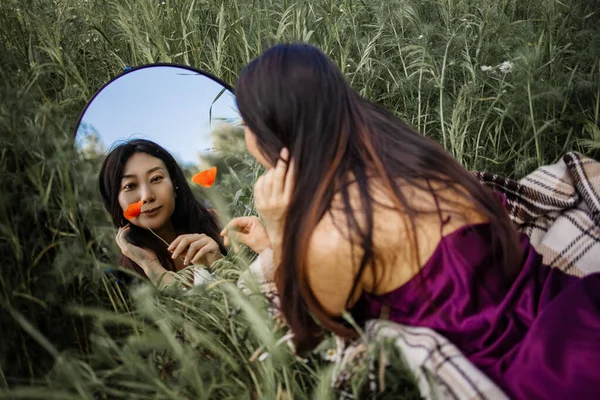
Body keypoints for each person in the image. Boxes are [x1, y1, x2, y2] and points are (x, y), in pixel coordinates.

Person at [223, 43, 600, 399]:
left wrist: (281, 228)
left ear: (275, 131)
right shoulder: (411, 156)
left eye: (246, 124)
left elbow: (306, 330)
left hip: (541, 366)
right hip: (569, 305)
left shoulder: (335, 234)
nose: (246, 136)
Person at [99, 139, 226, 286]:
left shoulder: (217, 223)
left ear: (174, 183)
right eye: (130, 186)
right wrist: (150, 265)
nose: (147, 196)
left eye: (156, 179)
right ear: (115, 200)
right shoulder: (124, 278)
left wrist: (219, 265)